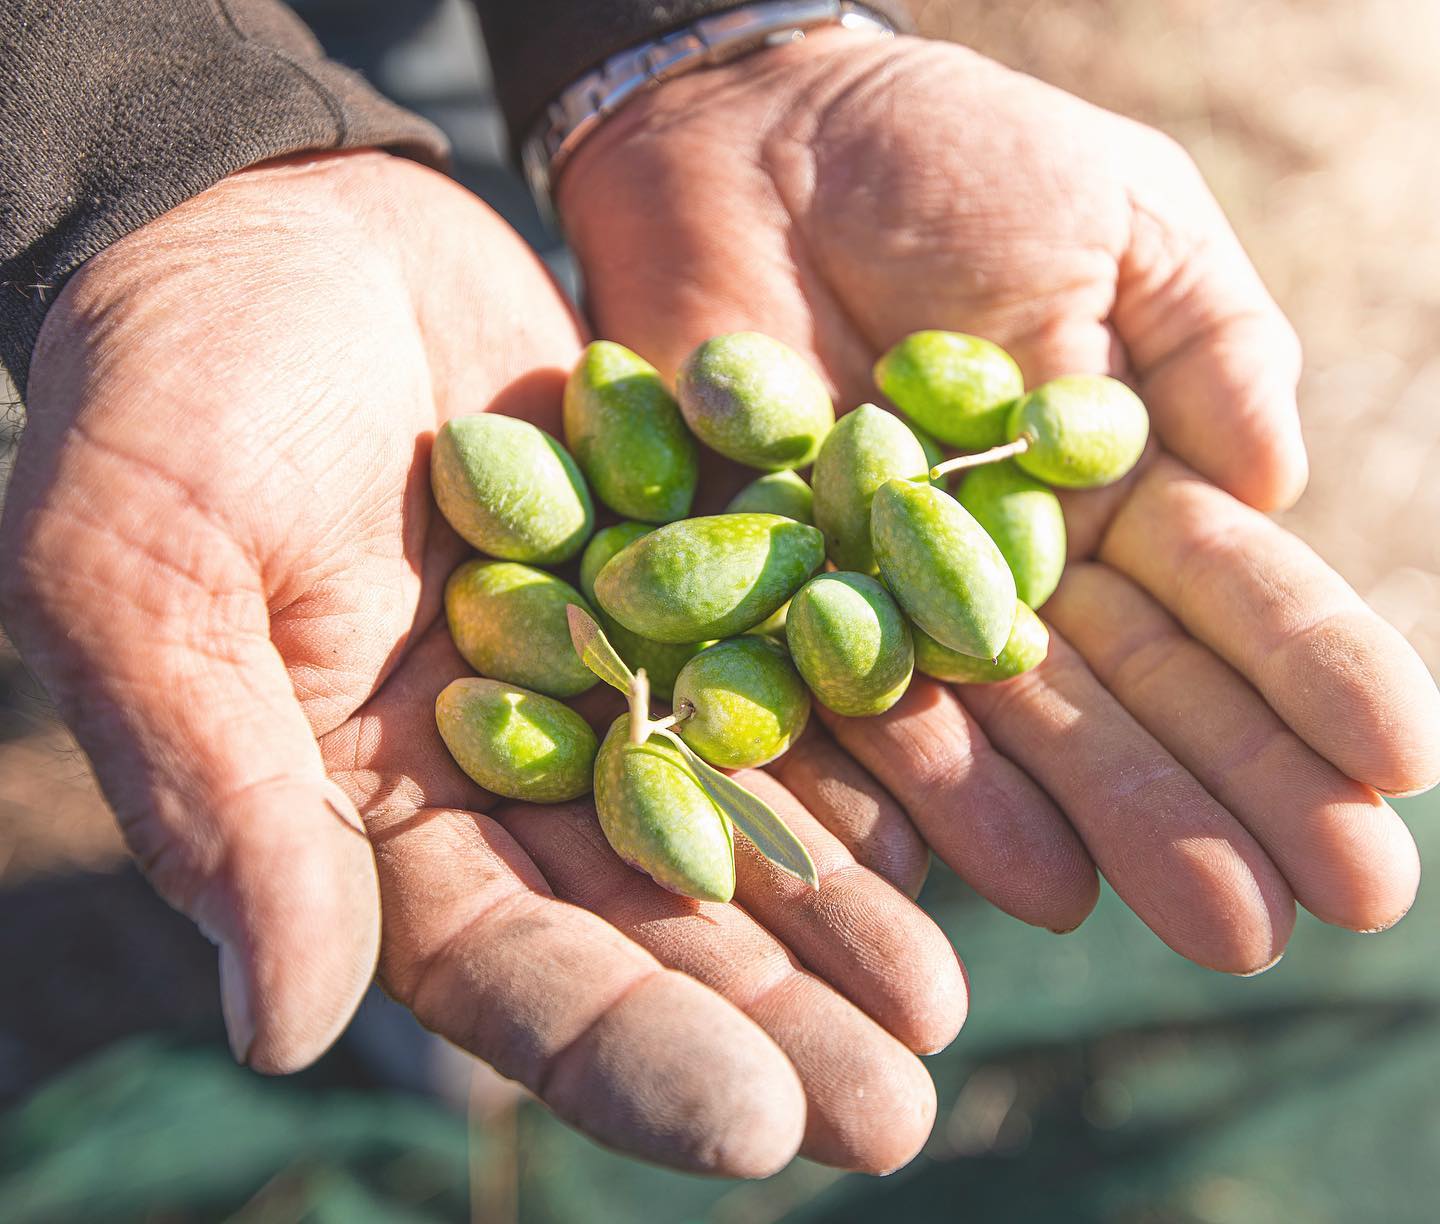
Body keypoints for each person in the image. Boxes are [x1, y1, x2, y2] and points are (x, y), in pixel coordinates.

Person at [2, 0, 1437, 1179]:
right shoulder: (714, 566)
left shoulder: (826, 528)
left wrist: (701, 39)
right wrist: (163, 163)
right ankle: (407, 1030)